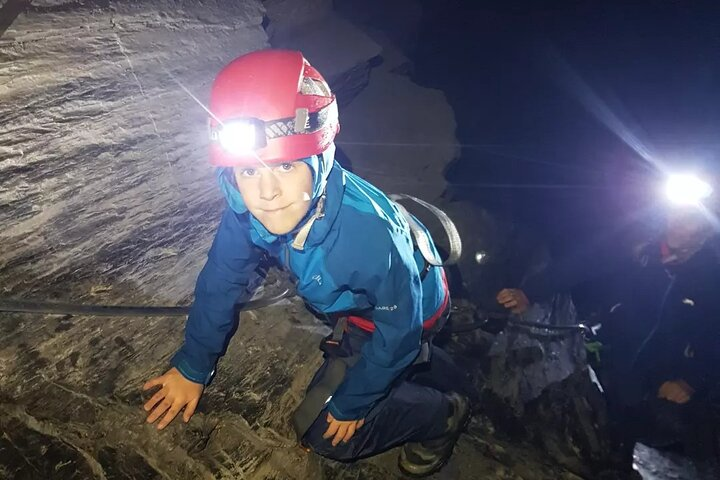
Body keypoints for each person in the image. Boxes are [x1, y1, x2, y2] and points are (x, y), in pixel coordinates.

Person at [140, 49, 471, 477]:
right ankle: (439, 372)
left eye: (287, 166)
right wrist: (193, 366)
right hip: (365, 304)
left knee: (322, 433)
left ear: (320, 158)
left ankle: (442, 414)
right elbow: (221, 280)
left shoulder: (368, 238)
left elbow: (401, 329)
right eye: (249, 171)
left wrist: (355, 402)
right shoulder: (245, 204)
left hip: (410, 311)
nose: (267, 192)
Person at [496, 177, 720, 468]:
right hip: (612, 350)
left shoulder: (710, 276)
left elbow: (715, 335)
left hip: (664, 373)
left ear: (706, 227)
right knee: (592, 422)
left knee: (665, 430)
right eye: (675, 212)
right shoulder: (642, 247)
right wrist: (529, 292)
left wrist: (690, 382)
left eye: (690, 218)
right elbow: (586, 260)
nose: (677, 222)